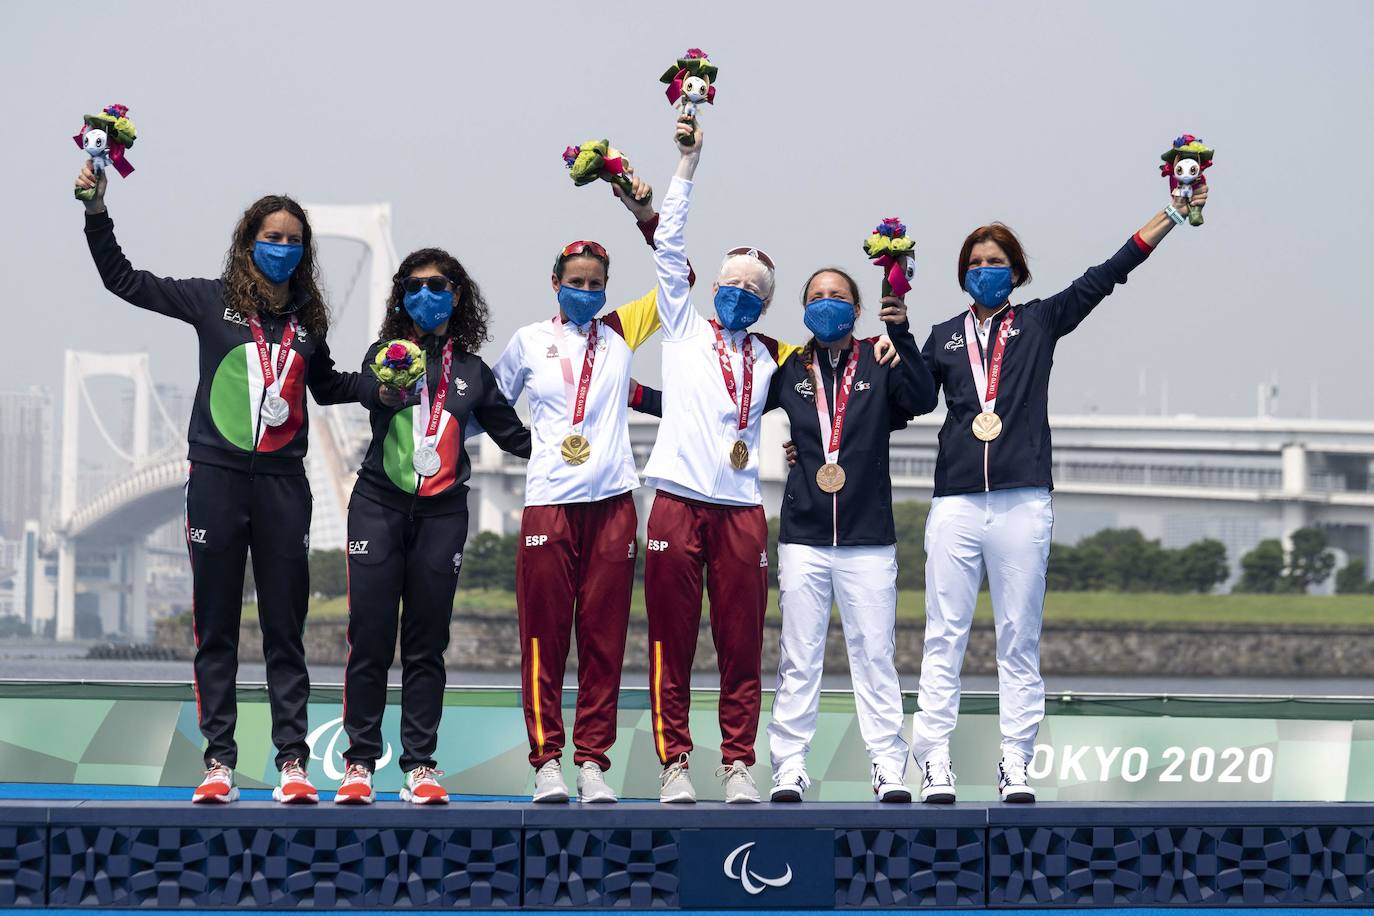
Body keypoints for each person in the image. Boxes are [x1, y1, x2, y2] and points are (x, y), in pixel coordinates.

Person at [75, 162, 385, 805]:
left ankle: (292, 763)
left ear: (304, 253)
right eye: (272, 237)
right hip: (215, 479)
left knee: (284, 627)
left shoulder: (308, 323)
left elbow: (327, 387)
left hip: (282, 486)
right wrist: (96, 212)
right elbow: (124, 281)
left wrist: (383, 387)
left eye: (295, 240)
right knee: (215, 625)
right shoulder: (208, 299)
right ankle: (218, 761)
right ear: (249, 243)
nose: (284, 248)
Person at [910, 178, 1212, 805]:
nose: (984, 270)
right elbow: (908, 402)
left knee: (1019, 636)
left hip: (1023, 498)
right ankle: (933, 763)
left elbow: (1109, 273)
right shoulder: (940, 336)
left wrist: (1173, 216)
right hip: (957, 501)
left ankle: (1015, 763)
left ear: (1015, 272)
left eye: (996, 263)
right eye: (975, 263)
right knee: (945, 636)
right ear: (961, 273)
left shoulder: (1042, 319)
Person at [491, 172, 670, 804]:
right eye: (576, 283)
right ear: (556, 284)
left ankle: (592, 759)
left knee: (604, 636)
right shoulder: (527, 341)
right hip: (548, 502)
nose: (587, 292)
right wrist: (526, 446)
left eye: (596, 284)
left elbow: (683, 281)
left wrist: (644, 214)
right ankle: (547, 761)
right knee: (544, 634)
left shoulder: (621, 330)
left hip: (615, 504)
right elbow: (491, 401)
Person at [333, 248, 532, 805]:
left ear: (457, 294)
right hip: (378, 505)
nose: (427, 293)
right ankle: (359, 764)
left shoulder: (473, 372)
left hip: (443, 512)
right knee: (369, 636)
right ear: (401, 296)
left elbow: (515, 438)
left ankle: (419, 765)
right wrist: (392, 387)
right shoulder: (387, 353)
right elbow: (376, 392)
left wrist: (584, 448)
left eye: (438, 284)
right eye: (414, 285)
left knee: (427, 645)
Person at [765, 267, 937, 803]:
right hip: (804, 535)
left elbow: (924, 398)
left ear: (857, 309)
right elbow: (738, 411)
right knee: (799, 656)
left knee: (875, 655)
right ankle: (789, 767)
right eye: (816, 296)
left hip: (868, 538)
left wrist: (901, 337)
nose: (826, 304)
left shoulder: (880, 359)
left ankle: (888, 767)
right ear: (803, 309)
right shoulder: (789, 368)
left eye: (837, 296)